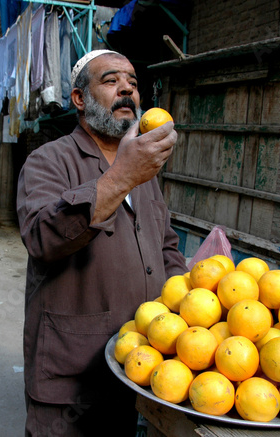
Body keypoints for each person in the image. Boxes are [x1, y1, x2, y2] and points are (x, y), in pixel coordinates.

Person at [17, 49, 188, 436]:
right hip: (72, 374)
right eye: (111, 81)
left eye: (132, 83)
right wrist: (121, 177)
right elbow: (42, 238)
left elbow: (165, 245)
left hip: (138, 362)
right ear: (80, 99)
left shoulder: (144, 171)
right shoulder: (49, 161)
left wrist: (189, 307)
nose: (126, 89)